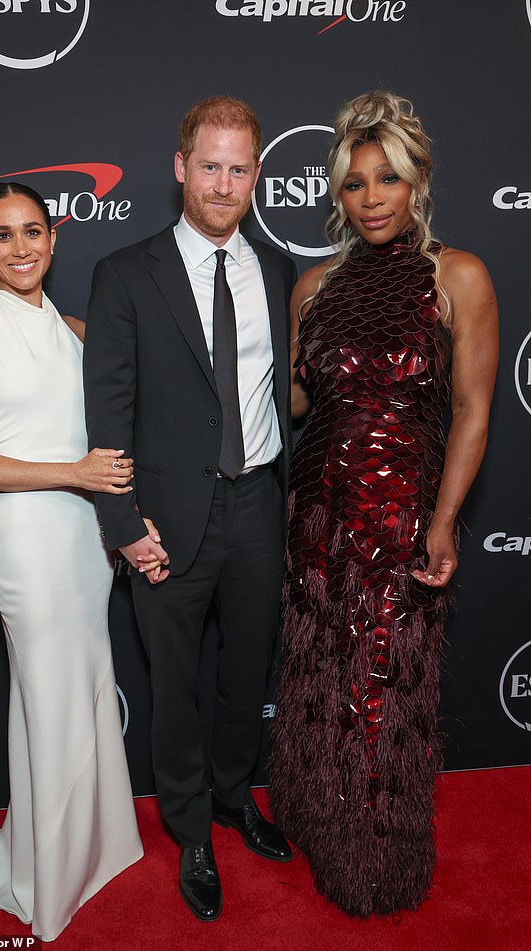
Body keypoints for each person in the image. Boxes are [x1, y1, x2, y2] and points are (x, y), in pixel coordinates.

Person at [269, 90, 498, 918]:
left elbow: (472, 407)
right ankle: (312, 816)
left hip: (401, 517)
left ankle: (374, 867)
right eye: (354, 183)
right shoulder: (313, 286)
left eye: (387, 179)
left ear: (417, 183)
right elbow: (293, 406)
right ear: (337, 193)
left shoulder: (458, 276)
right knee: (319, 677)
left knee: (382, 693)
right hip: (316, 513)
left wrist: (442, 521)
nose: (371, 198)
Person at [83, 96, 296, 922]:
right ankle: (190, 830)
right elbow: (107, 413)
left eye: (239, 168)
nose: (223, 183)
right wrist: (124, 525)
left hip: (258, 503)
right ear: (179, 166)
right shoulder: (125, 273)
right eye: (209, 165)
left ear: (257, 175)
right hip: (167, 519)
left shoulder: (274, 269)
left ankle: (236, 795)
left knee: (247, 671)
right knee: (174, 685)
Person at [0, 182, 144, 942]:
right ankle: (45, 876)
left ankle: (98, 845)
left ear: (54, 240)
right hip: (26, 542)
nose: (20, 247)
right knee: (48, 701)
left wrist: (120, 509)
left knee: (84, 690)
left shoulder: (87, 333)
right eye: (2, 235)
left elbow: (116, 447)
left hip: (88, 545)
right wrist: (73, 474)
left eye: (32, 232)